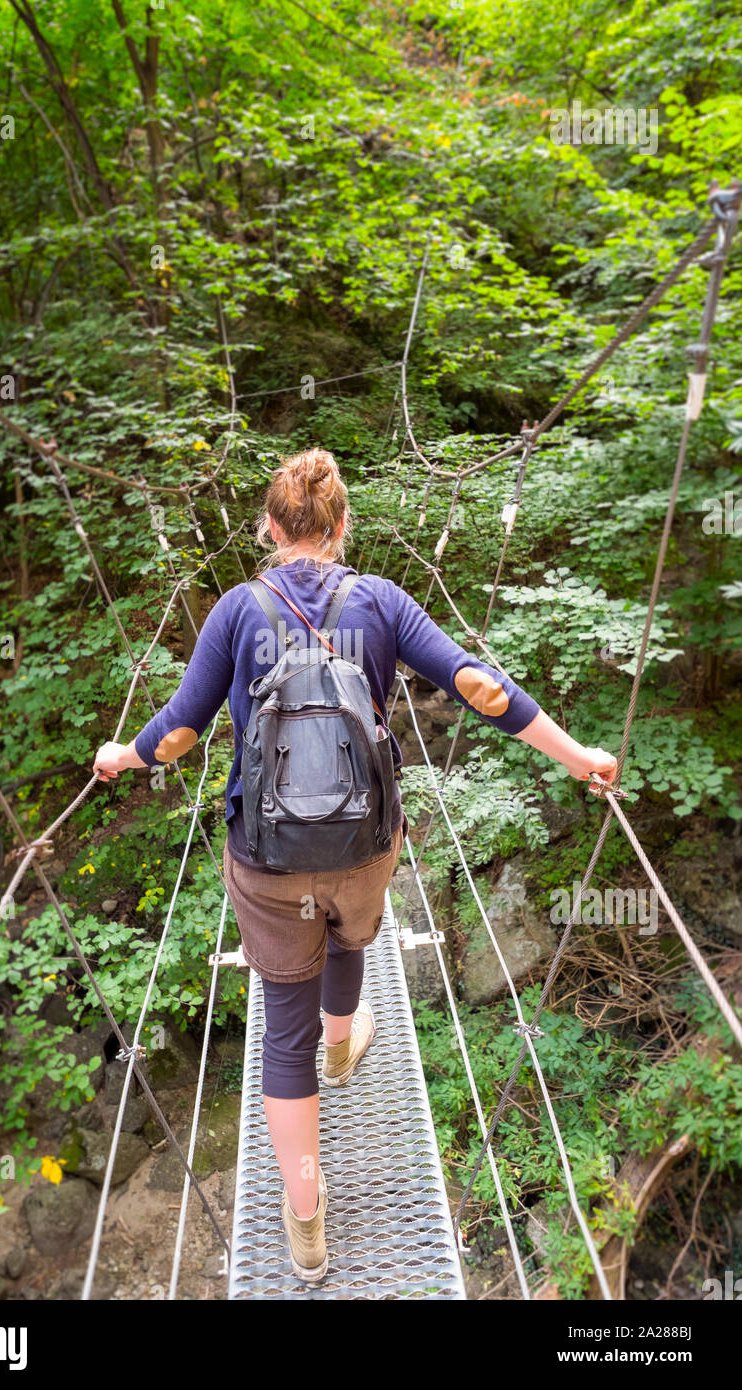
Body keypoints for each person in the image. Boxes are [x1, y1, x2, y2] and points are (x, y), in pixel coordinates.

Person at [93, 447, 618, 1284]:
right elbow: (480, 688)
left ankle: (306, 1219)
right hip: (366, 846)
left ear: (270, 529)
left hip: (266, 856)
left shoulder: (235, 609)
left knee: (282, 1031)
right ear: (341, 529)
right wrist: (577, 757)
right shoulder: (379, 600)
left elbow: (184, 728)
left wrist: (126, 755)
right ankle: (348, 1044)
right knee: (348, 937)